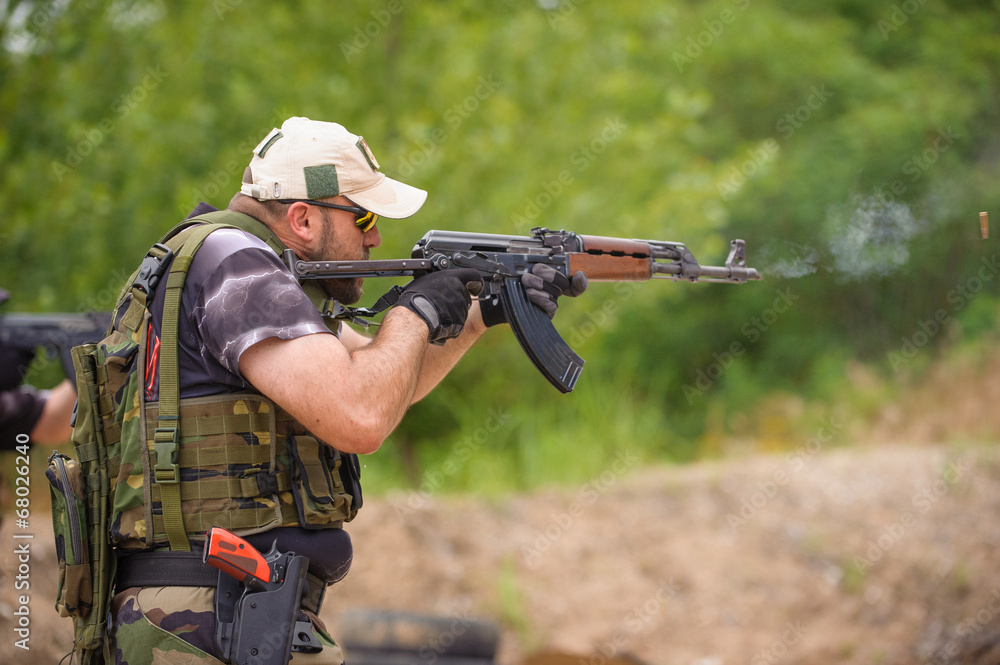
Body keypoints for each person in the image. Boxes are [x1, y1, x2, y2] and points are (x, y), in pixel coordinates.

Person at [101, 117, 586, 664]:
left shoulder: (244, 270)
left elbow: (384, 379)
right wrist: (415, 310)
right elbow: (360, 415)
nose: (376, 237)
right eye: (365, 217)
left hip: (227, 609)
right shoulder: (236, 264)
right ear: (303, 218)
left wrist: (482, 313)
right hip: (203, 616)